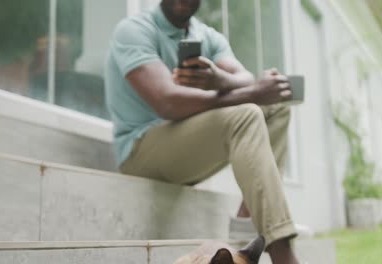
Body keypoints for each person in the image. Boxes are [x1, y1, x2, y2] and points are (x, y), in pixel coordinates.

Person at [105, 0, 299, 263]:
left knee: (275, 106)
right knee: (248, 113)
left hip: (187, 149)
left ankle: (246, 222)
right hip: (140, 151)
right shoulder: (134, 30)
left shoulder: (207, 36)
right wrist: (251, 93)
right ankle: (282, 253)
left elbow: (244, 77)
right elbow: (167, 101)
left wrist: (220, 79)